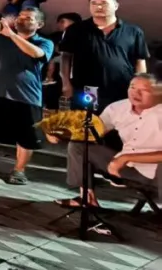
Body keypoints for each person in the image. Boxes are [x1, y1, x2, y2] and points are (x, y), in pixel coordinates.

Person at [0, 8, 53, 185]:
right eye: (20, 16)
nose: (22, 19)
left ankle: (19, 171)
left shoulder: (44, 42)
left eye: (28, 18)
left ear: (40, 24)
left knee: (26, 137)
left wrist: (11, 35)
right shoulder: (2, 39)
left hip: (27, 96)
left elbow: (37, 54)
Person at [57, 74, 162, 209]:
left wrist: (126, 158)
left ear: (158, 92)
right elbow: (93, 132)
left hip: (155, 172)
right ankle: (87, 198)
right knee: (78, 146)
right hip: (123, 167)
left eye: (144, 90)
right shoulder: (117, 108)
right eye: (132, 87)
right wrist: (60, 131)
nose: (136, 93)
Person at [60, 0, 148, 111]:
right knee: (87, 120)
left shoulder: (133, 31)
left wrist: (140, 86)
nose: (98, 7)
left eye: (104, 3)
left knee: (120, 120)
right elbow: (66, 57)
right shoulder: (76, 29)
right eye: (94, 3)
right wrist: (66, 83)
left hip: (122, 87)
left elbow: (140, 60)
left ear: (116, 6)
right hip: (87, 89)